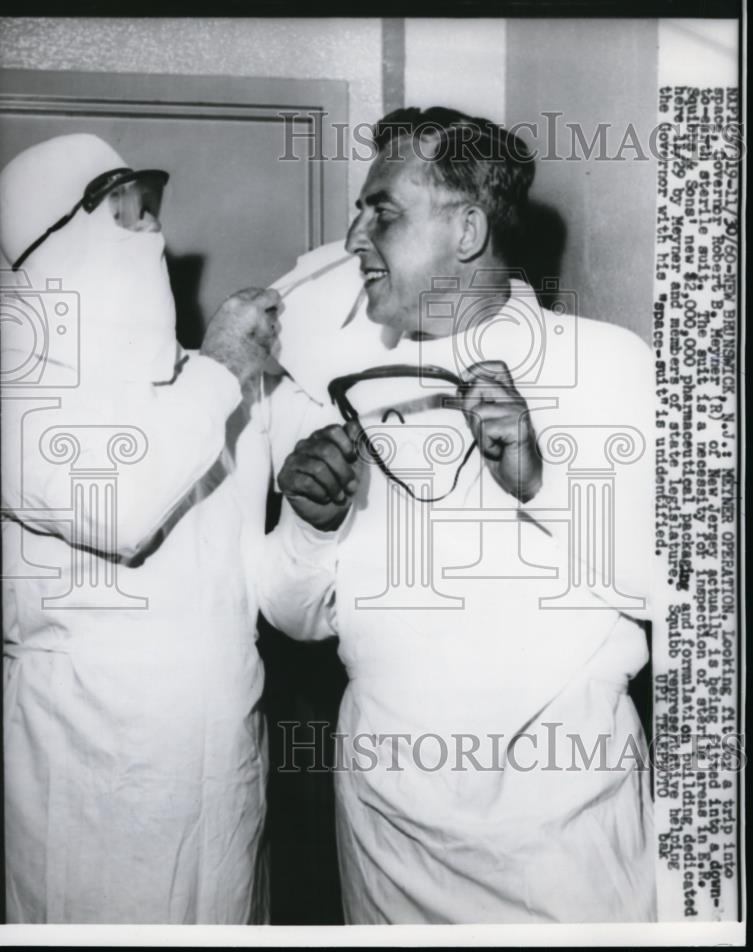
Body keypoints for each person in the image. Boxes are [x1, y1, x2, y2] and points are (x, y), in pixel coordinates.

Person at [250, 107, 657, 923]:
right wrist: (309, 522)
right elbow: (295, 618)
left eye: (382, 213)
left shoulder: (606, 366)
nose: (355, 239)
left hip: (562, 835)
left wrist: (540, 480)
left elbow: (676, 594)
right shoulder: (351, 391)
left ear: (467, 229)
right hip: (384, 833)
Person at [1, 134, 278, 924]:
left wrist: (317, 515)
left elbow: (258, 579)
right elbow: (116, 506)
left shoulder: (211, 384)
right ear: (55, 242)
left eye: (147, 203)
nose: (150, 229)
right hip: (87, 764)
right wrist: (223, 369)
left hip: (223, 758)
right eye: (119, 209)